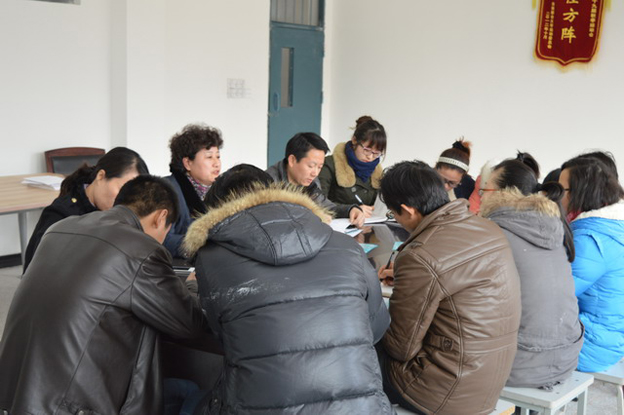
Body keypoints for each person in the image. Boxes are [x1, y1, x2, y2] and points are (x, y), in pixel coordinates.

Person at [183, 164, 392, 414]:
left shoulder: (212, 258)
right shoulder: (347, 246)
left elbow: (222, 334)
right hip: (364, 408)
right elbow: (376, 325)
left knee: (190, 399)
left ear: (216, 212)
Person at [0, 175, 207, 415]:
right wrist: (191, 286)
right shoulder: (141, 249)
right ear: (161, 217)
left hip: (13, 394)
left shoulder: (60, 228)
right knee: (193, 393)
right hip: (67, 406)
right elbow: (188, 323)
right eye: (167, 230)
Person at [377, 160, 521, 415]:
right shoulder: (488, 228)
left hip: (445, 392)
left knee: (358, 344)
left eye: (393, 214)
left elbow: (401, 347)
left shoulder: (420, 255)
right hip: (489, 380)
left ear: (407, 210)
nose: (395, 219)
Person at [479, 154, 583, 389]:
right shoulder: (555, 227)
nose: (481, 196)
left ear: (501, 193)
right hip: (566, 357)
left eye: (485, 189)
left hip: (520, 363)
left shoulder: (494, 231)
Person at [23, 146, 148, 271]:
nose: (125, 200)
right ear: (101, 176)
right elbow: (40, 270)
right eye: (121, 190)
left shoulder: (120, 215)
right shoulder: (61, 215)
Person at [559, 156, 624, 373]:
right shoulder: (611, 228)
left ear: (580, 192)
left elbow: (556, 294)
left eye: (561, 190)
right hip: (608, 337)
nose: (556, 196)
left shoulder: (591, 239)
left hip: (589, 344)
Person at [266, 132, 366, 227]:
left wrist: (351, 210)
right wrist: (314, 216)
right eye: (311, 166)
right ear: (292, 160)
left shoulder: (310, 182)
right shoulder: (268, 182)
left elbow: (327, 207)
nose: (315, 173)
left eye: (319, 167)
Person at [164, 123, 223, 259]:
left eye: (218, 156)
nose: (217, 163)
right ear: (188, 163)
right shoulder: (167, 190)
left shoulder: (221, 191)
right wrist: (208, 243)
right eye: (209, 157)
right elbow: (164, 240)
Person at [318, 116, 386, 216]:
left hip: (369, 223)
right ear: (354, 140)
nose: (370, 157)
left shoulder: (378, 172)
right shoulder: (330, 164)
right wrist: (349, 210)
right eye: (367, 150)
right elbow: (318, 202)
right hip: (336, 223)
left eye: (376, 153)